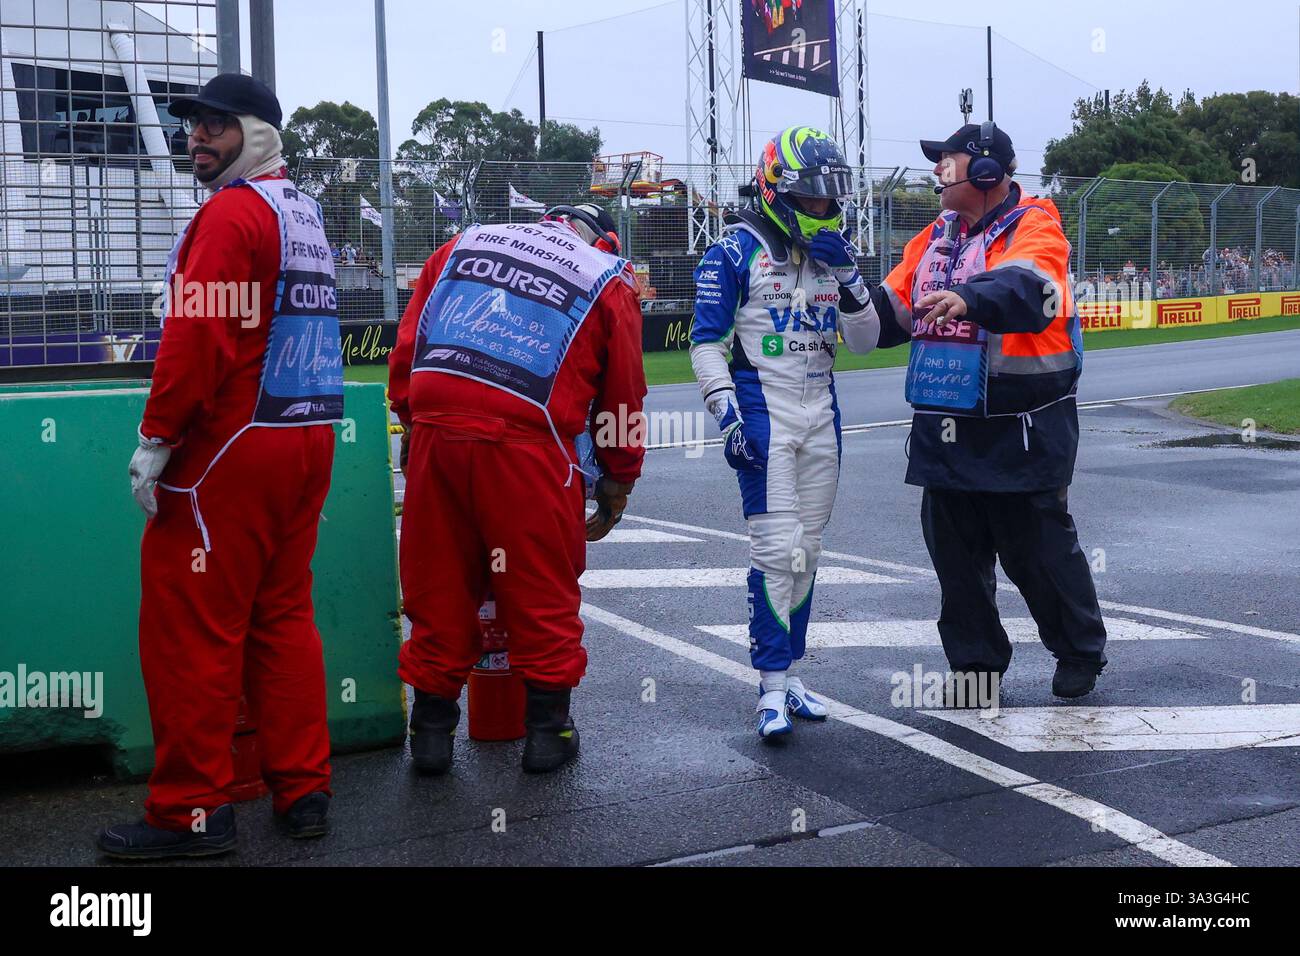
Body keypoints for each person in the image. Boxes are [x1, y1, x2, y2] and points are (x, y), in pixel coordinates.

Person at [100, 74, 343, 859]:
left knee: (191, 634)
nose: (197, 138)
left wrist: (157, 435)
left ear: (257, 132)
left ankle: (191, 814)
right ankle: (304, 792)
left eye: (215, 126)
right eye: (192, 127)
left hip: (230, 452)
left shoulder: (232, 214)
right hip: (304, 436)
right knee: (282, 620)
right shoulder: (299, 210)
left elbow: (195, 339)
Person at [388, 202, 645, 774]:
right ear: (600, 239)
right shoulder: (606, 277)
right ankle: (548, 734)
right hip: (527, 447)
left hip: (438, 432)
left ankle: (430, 737)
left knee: (438, 585)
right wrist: (619, 478)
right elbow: (623, 395)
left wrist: (410, 421)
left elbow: (407, 346)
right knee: (542, 590)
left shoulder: (464, 242)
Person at [854, 121, 1107, 698]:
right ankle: (975, 668)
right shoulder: (932, 236)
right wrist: (845, 290)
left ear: (988, 171)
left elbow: (1030, 289)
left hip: (1024, 425)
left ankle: (1079, 652)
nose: (938, 171)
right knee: (956, 560)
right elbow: (891, 311)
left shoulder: (1036, 225)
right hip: (945, 426)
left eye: (949, 160)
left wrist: (968, 296)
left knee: (1036, 552)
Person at [689, 127, 882, 740]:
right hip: (763, 413)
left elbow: (865, 343)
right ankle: (771, 686)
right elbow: (706, 345)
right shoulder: (732, 250)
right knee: (775, 549)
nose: (824, 210)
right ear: (777, 191)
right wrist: (728, 416)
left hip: (822, 412)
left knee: (810, 549)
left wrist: (853, 283)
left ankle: (791, 672)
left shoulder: (838, 251)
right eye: (813, 199)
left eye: (831, 199)